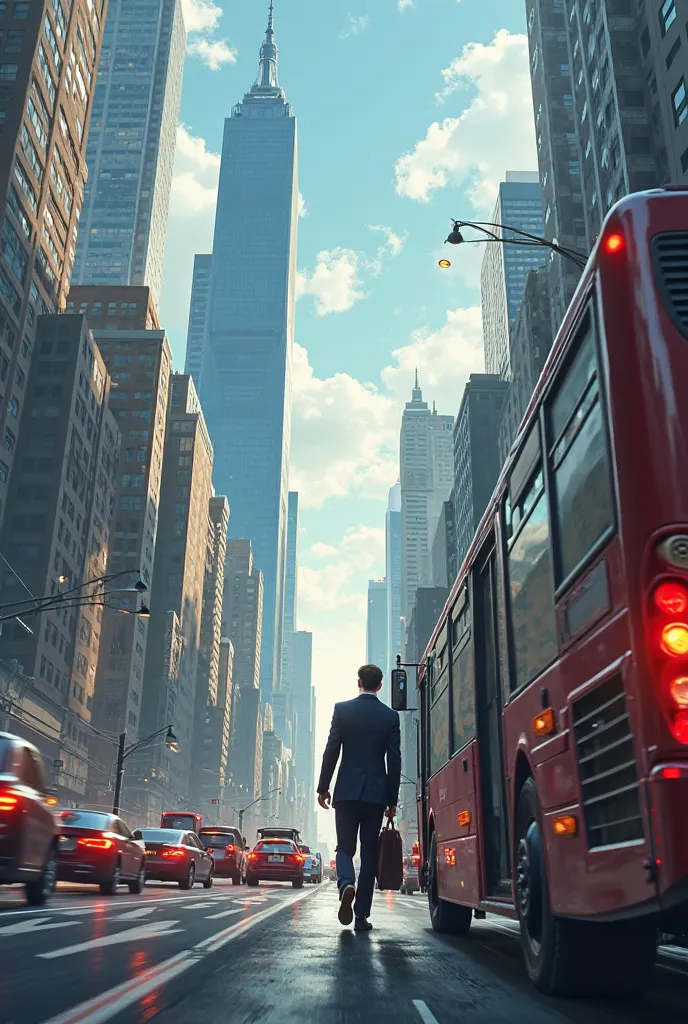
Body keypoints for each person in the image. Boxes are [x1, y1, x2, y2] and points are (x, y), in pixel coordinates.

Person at [317, 664, 401, 932]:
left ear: (358, 683)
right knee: (368, 854)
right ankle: (361, 916)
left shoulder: (343, 710)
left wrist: (323, 787)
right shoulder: (390, 717)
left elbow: (331, 751)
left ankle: (345, 884)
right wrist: (392, 799)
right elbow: (395, 761)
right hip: (376, 795)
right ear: (380, 686)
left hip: (347, 792)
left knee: (344, 848)